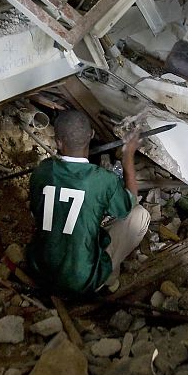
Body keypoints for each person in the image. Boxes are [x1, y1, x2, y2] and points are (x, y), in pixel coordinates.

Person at [25, 110, 150, 295]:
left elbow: (36, 211)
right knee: (140, 215)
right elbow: (128, 205)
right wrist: (128, 158)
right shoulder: (102, 180)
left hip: (40, 271)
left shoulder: (42, 171)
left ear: (58, 142)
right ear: (91, 134)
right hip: (81, 280)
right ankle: (108, 276)